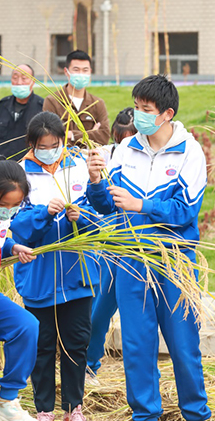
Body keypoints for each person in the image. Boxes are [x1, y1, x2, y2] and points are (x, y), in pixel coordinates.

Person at [86, 75, 211, 421]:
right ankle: (144, 414)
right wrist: (96, 181)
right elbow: (106, 206)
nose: (138, 116)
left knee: (184, 344)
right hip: (130, 260)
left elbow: (186, 211)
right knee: (137, 347)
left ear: (167, 113)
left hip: (173, 262)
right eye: (137, 107)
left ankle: (196, 413)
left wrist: (141, 205)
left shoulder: (190, 152)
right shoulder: (125, 151)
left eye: (146, 110)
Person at [11, 111, 99, 421]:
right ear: (31, 145)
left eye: (55, 144)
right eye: (42, 145)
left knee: (77, 344)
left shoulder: (78, 167)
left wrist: (82, 217)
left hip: (78, 273)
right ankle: (44, 409)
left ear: (63, 141)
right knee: (42, 345)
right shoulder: (20, 174)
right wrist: (44, 214)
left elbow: (100, 217)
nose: (50, 150)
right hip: (38, 277)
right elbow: (17, 226)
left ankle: (74, 407)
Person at [0, 153, 40, 421]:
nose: (9, 211)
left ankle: (7, 400)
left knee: (26, 326)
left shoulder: (1, 218)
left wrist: (12, 247)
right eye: (4, 204)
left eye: (15, 206)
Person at [85, 107, 138, 386]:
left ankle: (138, 374)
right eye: (120, 138)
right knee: (100, 311)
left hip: (141, 246)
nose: (124, 142)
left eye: (130, 136)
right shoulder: (104, 156)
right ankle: (89, 365)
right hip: (110, 246)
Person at [42, 50, 110, 146]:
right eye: (76, 70)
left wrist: (72, 135)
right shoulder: (53, 101)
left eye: (85, 70)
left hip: (90, 158)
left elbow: (104, 137)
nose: (81, 74)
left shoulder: (97, 103)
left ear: (90, 72)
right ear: (66, 72)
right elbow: (51, 136)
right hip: (63, 158)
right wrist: (90, 134)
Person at [0, 64, 45, 160]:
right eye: (15, 78)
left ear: (33, 81)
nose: (19, 82)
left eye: (24, 78)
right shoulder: (2, 105)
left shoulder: (42, 106)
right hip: (2, 166)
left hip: (30, 166)